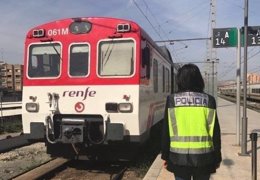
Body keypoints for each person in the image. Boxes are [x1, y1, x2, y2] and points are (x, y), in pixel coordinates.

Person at [161, 64, 222, 180]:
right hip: (204, 159)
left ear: (180, 80)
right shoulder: (209, 100)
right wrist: (217, 157)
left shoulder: (172, 100)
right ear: (199, 80)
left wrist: (165, 155)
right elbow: (215, 132)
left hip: (178, 159)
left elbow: (166, 130)